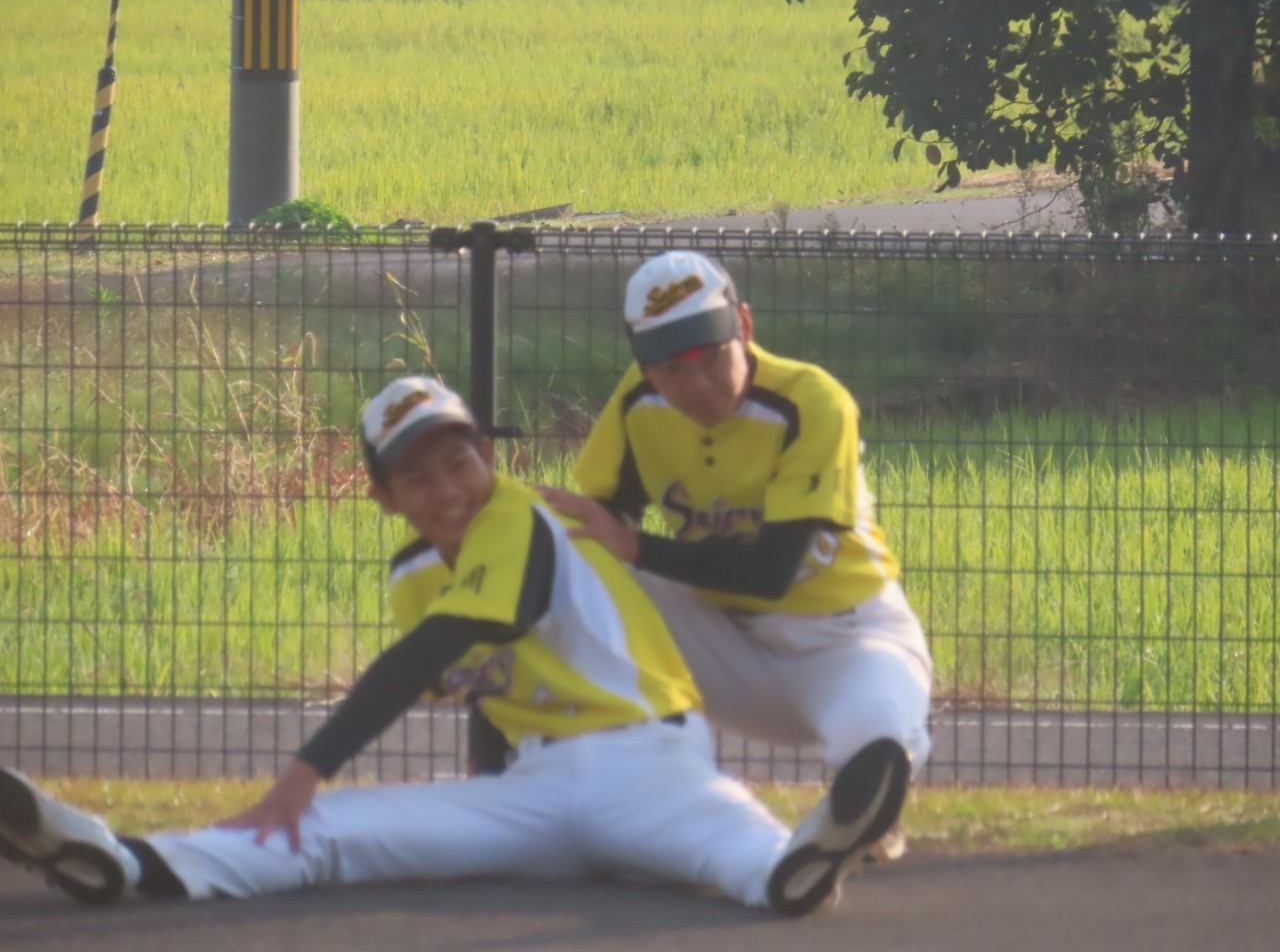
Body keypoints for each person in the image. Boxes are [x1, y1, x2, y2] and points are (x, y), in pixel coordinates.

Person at [0, 375, 873, 917]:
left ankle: (805, 861)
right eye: (415, 475)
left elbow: (446, 645)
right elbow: (487, 683)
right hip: (534, 794)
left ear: (487, 454)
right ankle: (119, 860)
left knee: (742, 853)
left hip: (649, 767)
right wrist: (479, 796)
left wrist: (304, 769)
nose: (447, 487)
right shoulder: (414, 571)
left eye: (459, 461)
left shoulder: (522, 518)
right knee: (325, 835)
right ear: (383, 497)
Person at [538, 250, 934, 908]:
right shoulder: (639, 403)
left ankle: (837, 832)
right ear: (644, 366)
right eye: (671, 367)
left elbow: (771, 573)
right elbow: (599, 522)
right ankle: (615, 794)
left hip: (845, 639)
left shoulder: (810, 401)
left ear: (744, 326)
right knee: (571, 569)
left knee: (877, 741)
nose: (695, 382)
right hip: (718, 637)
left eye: (709, 356)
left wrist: (634, 546)